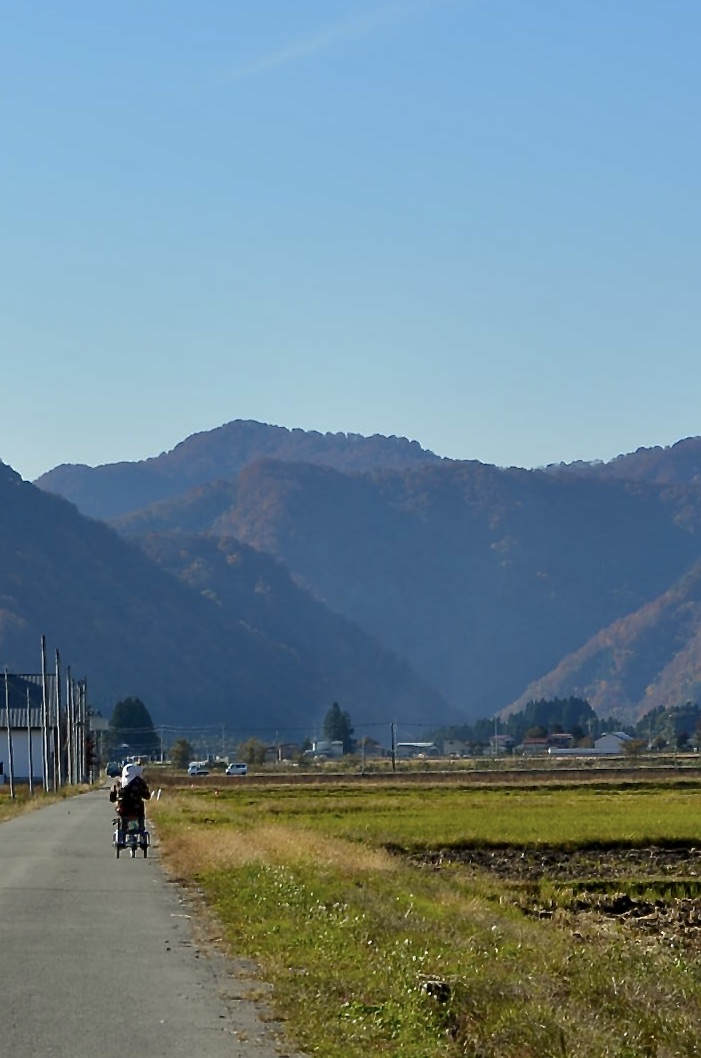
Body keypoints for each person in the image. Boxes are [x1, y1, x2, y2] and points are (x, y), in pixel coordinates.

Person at [110, 762, 151, 843]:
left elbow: (112, 797)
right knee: (141, 817)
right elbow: (147, 796)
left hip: (123, 809)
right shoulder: (139, 782)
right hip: (137, 808)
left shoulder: (118, 782)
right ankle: (141, 829)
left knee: (122, 818)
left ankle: (122, 834)